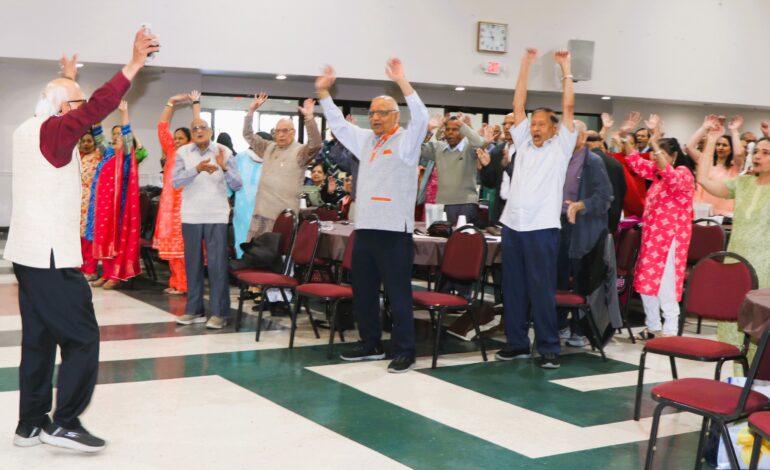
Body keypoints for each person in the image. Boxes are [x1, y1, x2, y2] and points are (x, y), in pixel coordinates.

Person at [4, 29, 157, 452]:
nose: (83, 112)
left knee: (39, 339)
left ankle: (30, 424)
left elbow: (74, 106)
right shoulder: (53, 134)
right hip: (51, 258)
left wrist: (68, 79)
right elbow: (94, 108)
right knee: (82, 337)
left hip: (27, 255)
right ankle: (65, 422)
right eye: (74, 103)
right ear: (58, 107)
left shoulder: (26, 129)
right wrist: (133, 65)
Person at [316, 58, 429, 373]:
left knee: (398, 293)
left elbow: (421, 116)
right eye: (372, 113)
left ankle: (405, 350)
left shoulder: (407, 141)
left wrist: (402, 82)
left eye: (382, 113)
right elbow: (339, 126)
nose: (375, 118)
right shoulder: (366, 140)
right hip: (365, 228)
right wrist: (324, 94)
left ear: (395, 116)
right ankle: (370, 344)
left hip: (394, 231)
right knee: (363, 290)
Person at [495, 48, 577, 369]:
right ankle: (516, 343)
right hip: (513, 226)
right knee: (512, 287)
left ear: (554, 128)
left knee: (541, 289)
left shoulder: (561, 146)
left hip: (542, 228)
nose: (536, 127)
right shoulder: (523, 145)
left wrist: (565, 69)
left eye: (542, 123)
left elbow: (568, 106)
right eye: (534, 123)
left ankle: (548, 347)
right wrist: (524, 64)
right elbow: (517, 104)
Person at [616, 113, 696, 340]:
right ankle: (653, 326)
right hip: (652, 238)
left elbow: (670, 174)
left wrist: (653, 140)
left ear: (673, 156)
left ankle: (670, 330)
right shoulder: (658, 174)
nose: (655, 161)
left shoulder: (683, 174)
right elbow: (634, 160)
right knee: (645, 282)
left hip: (671, 239)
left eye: (659, 156)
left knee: (666, 286)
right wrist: (624, 136)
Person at [697, 128, 770, 372]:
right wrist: (712, 142)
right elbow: (705, 180)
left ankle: (758, 389)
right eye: (756, 151)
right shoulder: (743, 182)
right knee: (734, 328)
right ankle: (739, 385)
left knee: (760, 331)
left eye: (766, 152)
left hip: (766, 268)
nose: (758, 156)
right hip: (737, 266)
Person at [172, 117, 242, 329]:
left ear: (210, 131)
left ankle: (220, 313)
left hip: (216, 214)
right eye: (195, 128)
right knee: (192, 265)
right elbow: (176, 182)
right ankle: (194, 310)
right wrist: (197, 169)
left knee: (217, 265)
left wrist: (225, 168)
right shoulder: (182, 152)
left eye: (203, 127)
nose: (199, 131)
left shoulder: (223, 152)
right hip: (191, 215)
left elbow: (238, 185)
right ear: (192, 134)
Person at [557, 121, 613, 347]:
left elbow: (605, 197)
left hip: (582, 228)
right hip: (558, 224)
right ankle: (559, 324)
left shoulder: (593, 161)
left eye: (572, 134)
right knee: (558, 276)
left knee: (580, 278)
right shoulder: (558, 157)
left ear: (582, 137)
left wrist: (581, 204)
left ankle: (579, 329)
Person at [242, 93, 322, 240]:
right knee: (255, 255)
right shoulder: (268, 147)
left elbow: (315, 145)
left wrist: (309, 119)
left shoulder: (300, 152)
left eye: (285, 131)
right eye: (277, 131)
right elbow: (248, 135)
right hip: (261, 213)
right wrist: (251, 112)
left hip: (283, 218)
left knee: (279, 259)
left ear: (293, 132)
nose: (281, 135)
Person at [88, 101, 144, 289]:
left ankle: (115, 275)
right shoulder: (108, 154)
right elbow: (97, 135)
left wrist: (124, 113)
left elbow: (128, 137)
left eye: (119, 135)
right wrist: (96, 112)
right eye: (114, 134)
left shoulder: (127, 155)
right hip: (103, 207)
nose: (116, 137)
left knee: (116, 239)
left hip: (118, 207)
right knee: (104, 238)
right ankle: (106, 272)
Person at [154, 91, 196, 295]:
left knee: (182, 249)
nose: (177, 141)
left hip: (184, 207)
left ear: (189, 140)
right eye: (176, 138)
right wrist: (170, 102)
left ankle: (185, 284)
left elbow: (199, 129)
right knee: (171, 248)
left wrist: (195, 104)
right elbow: (162, 128)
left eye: (181, 138)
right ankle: (175, 282)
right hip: (168, 208)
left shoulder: (190, 153)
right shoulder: (171, 151)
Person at [420, 114, 487, 225]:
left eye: (455, 129)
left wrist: (462, 125)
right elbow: (416, 148)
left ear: (462, 132)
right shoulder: (438, 148)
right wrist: (428, 129)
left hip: (466, 204)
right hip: (442, 205)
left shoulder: (469, 148)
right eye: (448, 129)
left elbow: (480, 143)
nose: (450, 132)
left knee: (463, 240)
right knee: (440, 240)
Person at [687, 114, 746, 215]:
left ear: (731, 149)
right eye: (718, 144)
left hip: (724, 212)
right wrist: (704, 128)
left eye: (724, 145)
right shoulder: (706, 162)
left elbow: (739, 154)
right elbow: (689, 147)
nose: (720, 147)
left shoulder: (734, 167)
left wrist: (734, 131)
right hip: (703, 210)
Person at [585, 130, 627, 233]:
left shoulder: (583, 162)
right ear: (600, 142)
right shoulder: (616, 163)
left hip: (587, 218)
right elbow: (623, 190)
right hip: (611, 218)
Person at [232, 144, 264, 258]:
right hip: (249, 211)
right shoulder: (240, 158)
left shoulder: (272, 160)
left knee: (244, 243)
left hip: (250, 210)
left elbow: (229, 187)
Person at [78, 131, 102, 281]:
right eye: (84, 141)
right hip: (78, 202)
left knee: (89, 238)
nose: (86, 144)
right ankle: (79, 268)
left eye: (89, 141)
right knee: (78, 238)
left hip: (94, 202)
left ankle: (90, 270)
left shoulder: (99, 155)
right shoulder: (77, 157)